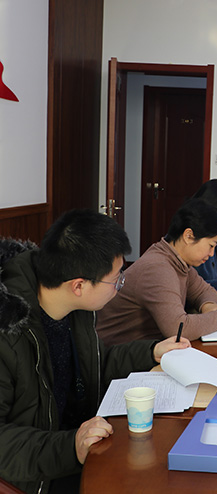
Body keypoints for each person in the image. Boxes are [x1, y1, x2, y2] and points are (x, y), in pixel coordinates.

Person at [0, 211, 189, 494]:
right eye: (115, 280)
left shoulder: (75, 308)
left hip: (83, 446)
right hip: (39, 474)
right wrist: (70, 448)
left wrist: (152, 351)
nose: (119, 287)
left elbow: (96, 365)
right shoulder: (9, 330)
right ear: (79, 285)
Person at [97, 199, 217, 345]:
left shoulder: (177, 260)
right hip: (121, 354)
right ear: (188, 236)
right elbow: (178, 328)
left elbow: (205, 291)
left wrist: (208, 306)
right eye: (211, 245)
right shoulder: (158, 268)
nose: (211, 254)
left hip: (150, 347)